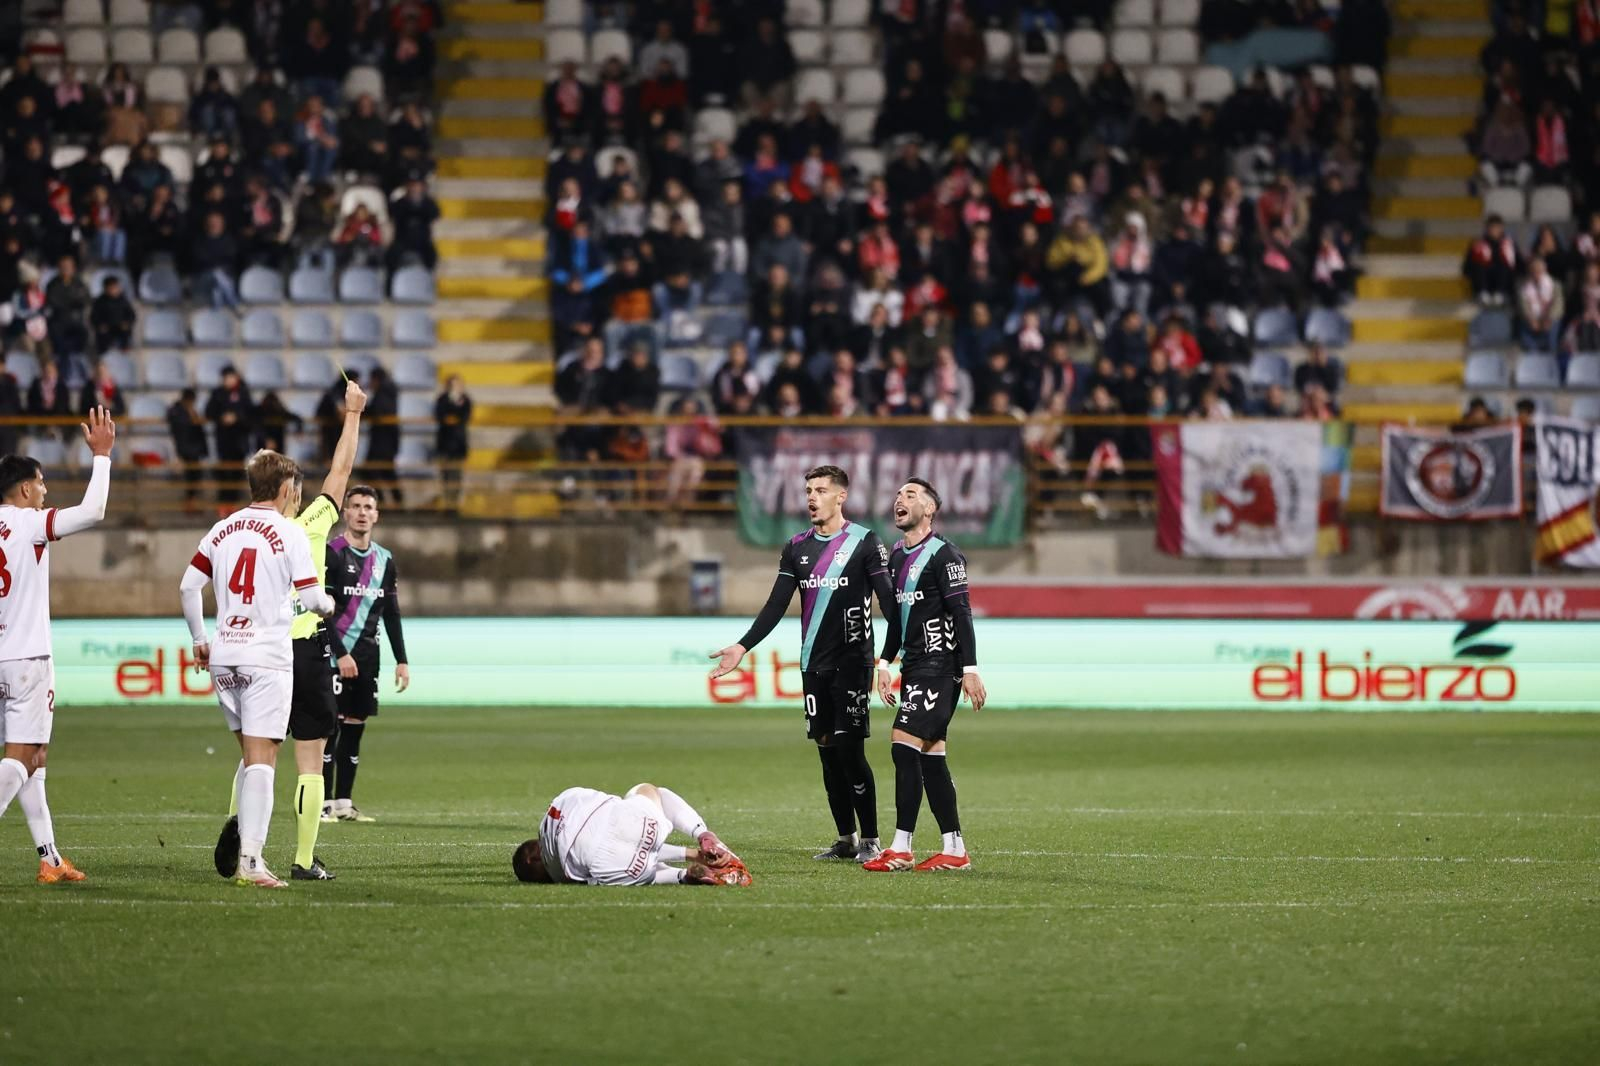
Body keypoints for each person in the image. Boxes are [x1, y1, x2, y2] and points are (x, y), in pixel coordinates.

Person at [212, 381, 365, 883]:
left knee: (256, 753)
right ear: (292, 492)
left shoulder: (242, 529)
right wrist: (352, 413)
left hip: (253, 647)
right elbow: (341, 470)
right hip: (303, 647)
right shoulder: (312, 523)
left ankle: (239, 827)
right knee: (311, 758)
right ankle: (302, 859)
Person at [709, 466, 901, 863]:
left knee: (851, 751)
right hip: (813, 663)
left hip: (853, 663)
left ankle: (870, 839)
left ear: (841, 497)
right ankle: (845, 839)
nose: (812, 497)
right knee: (827, 751)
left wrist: (888, 658)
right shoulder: (796, 547)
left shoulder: (866, 542)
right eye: (808, 490)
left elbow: (889, 602)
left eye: (821, 490)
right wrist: (743, 646)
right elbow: (776, 605)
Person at [180, 450, 336, 888]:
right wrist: (329, 604)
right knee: (264, 762)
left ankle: (246, 852)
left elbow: (189, 585)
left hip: (224, 656)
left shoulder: (222, 528)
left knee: (250, 761)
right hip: (265, 657)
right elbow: (310, 598)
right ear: (287, 490)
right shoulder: (288, 532)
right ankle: (251, 862)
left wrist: (199, 640)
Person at [0, 407, 116, 884]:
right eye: (42, 483)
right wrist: (103, 457)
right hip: (27, 658)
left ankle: (49, 858)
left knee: (36, 759)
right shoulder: (28, 524)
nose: (45, 490)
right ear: (25, 488)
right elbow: (93, 511)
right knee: (22, 758)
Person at [864, 478, 986, 873]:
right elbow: (898, 620)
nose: (900, 499)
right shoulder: (897, 556)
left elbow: (962, 614)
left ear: (930, 509)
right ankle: (954, 849)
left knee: (903, 745)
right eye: (897, 494)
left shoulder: (945, 555)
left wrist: (969, 669)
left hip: (941, 666)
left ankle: (901, 847)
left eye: (911, 495)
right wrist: (884, 663)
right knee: (932, 759)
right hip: (915, 666)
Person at [322, 486, 410, 822]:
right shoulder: (331, 553)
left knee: (355, 729)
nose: (361, 512)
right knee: (329, 730)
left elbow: (391, 613)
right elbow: (323, 612)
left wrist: (401, 659)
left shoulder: (385, 560)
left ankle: (344, 802)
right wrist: (340, 653)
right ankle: (323, 804)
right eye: (355, 506)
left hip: (367, 658)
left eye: (368, 507)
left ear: (376, 515)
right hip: (333, 656)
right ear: (345, 512)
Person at [513, 783, 749, 887]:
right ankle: (702, 833)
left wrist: (690, 856)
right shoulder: (556, 808)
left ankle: (683, 875)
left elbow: (613, 845)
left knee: (641, 870)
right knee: (649, 790)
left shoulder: (559, 875)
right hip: (631, 821)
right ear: (536, 848)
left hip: (612, 865)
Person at [166, 388, 209, 511]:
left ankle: (192, 503)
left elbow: (199, 431)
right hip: (185, 449)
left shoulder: (192, 412)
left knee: (195, 476)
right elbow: (178, 425)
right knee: (191, 477)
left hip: (194, 449)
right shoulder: (177, 411)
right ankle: (189, 504)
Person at [434, 375, 471, 514]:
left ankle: (454, 506)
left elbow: (465, 417)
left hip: (458, 445)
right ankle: (447, 505)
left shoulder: (465, 399)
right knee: (445, 477)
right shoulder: (442, 399)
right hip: (445, 443)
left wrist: (454, 412)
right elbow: (439, 416)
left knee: (456, 477)